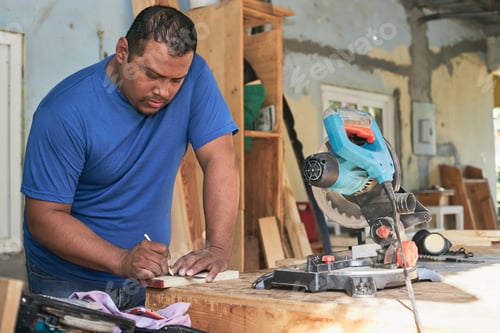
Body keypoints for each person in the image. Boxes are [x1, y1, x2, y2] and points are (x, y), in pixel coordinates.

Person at [21, 5, 239, 310]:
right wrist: (121, 259)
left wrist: (217, 248)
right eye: (151, 74)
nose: (163, 91)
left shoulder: (194, 76)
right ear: (123, 51)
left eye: (175, 81)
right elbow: (43, 218)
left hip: (146, 278)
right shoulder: (63, 112)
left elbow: (219, 160)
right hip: (66, 280)